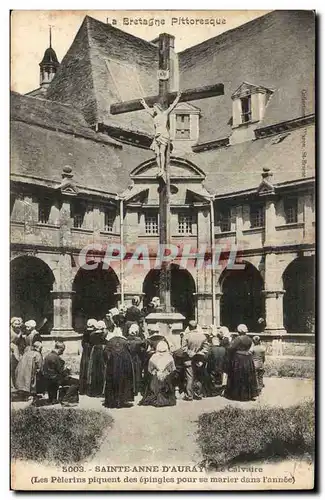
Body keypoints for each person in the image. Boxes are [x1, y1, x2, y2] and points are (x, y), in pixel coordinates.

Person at [140, 92, 181, 181]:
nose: (153, 109)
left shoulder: (164, 114)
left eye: (154, 108)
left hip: (163, 134)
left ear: (158, 108)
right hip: (157, 136)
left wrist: (177, 98)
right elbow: (148, 110)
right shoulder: (155, 117)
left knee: (162, 152)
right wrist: (144, 104)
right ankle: (159, 169)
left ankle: (162, 169)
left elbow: (172, 106)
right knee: (156, 154)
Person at [225, 324, 258, 402]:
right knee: (247, 376)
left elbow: (231, 348)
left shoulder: (238, 339)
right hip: (248, 359)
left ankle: (237, 395)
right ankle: (248, 394)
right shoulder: (249, 339)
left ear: (239, 331)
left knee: (238, 376)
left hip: (239, 359)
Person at [103, 327, 135, 409]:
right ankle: (122, 400)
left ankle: (112, 400)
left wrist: (108, 361)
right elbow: (130, 351)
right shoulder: (125, 341)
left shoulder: (110, 341)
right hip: (123, 365)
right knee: (123, 381)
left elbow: (105, 352)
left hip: (112, 365)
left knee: (111, 381)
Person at [139, 340, 177, 407]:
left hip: (155, 379)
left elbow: (150, 370)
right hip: (166, 379)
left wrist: (157, 373)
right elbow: (173, 369)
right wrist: (165, 373)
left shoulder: (153, 357)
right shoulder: (169, 357)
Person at [42, 341, 79, 406]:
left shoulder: (47, 356)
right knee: (76, 382)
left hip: (47, 379)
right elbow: (62, 372)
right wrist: (67, 369)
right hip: (56, 379)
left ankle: (52, 399)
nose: (62, 352)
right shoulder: (56, 358)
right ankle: (65, 399)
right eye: (62, 350)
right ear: (60, 349)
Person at [182, 320, 210, 401]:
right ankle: (198, 394)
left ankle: (189, 395)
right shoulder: (202, 336)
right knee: (198, 377)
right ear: (196, 326)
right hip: (199, 359)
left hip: (189, 359)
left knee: (190, 377)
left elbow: (184, 348)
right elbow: (206, 348)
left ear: (189, 327)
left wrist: (191, 353)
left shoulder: (186, 336)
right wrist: (199, 353)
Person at [87, 321, 107, 397]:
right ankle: (101, 390)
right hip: (102, 350)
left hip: (94, 351)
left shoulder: (92, 334)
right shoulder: (104, 334)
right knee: (102, 370)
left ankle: (94, 390)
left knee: (94, 370)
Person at [126, 323, 147, 396]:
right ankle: (137, 389)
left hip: (129, 358)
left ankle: (131, 389)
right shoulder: (139, 341)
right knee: (138, 373)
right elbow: (142, 350)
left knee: (130, 374)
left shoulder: (126, 340)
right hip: (136, 358)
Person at [79, 318, 97, 395]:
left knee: (84, 369)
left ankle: (82, 389)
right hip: (90, 352)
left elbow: (83, 343)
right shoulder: (93, 333)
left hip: (85, 352)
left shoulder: (85, 331)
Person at [10, 317, 25, 389]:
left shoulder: (19, 330)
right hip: (11, 348)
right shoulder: (10, 331)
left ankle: (16, 383)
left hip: (17, 349)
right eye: (15, 324)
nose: (17, 325)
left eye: (18, 324)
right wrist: (19, 334)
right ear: (12, 323)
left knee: (17, 366)